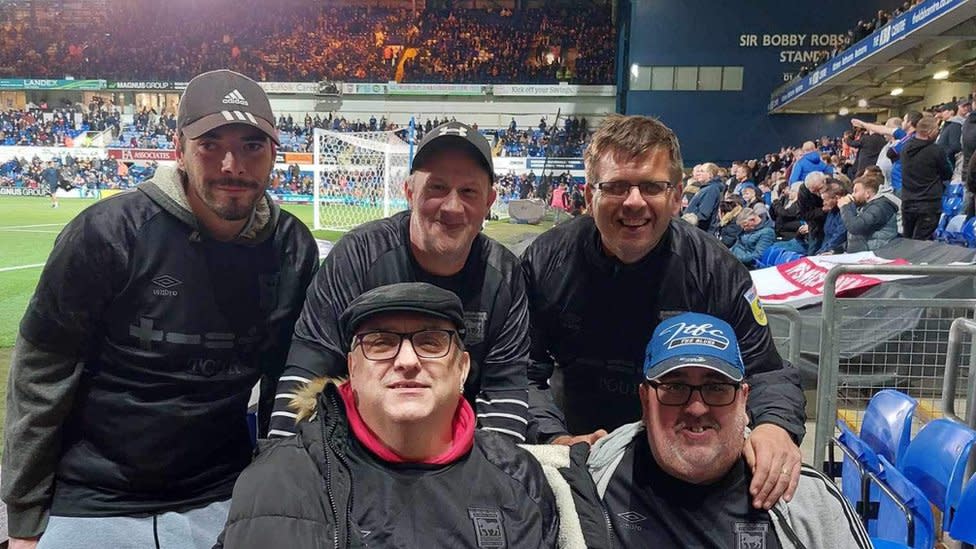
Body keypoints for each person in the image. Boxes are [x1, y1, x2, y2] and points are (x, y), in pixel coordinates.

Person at [1, 69, 319, 549]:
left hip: (224, 492)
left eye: (252, 145)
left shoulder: (292, 248)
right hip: (94, 496)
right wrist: (25, 519)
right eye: (211, 143)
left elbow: (285, 383)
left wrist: (278, 491)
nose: (232, 165)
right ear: (179, 150)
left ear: (275, 153)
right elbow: (41, 374)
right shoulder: (108, 233)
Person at [522, 114, 806, 511]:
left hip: (684, 458)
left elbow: (766, 371)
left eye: (651, 187)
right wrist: (552, 440)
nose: (633, 202)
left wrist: (776, 427)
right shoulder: (546, 260)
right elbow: (522, 372)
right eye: (616, 186)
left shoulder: (715, 269)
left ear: (676, 197)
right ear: (589, 196)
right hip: (578, 451)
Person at [215, 283, 609, 548]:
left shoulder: (519, 477)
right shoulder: (281, 482)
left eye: (431, 342)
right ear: (352, 368)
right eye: (381, 343)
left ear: (462, 368)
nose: (406, 361)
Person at [271, 121, 530, 442]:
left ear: (489, 202)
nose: (452, 206)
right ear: (409, 191)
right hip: (358, 451)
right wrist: (281, 463)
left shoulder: (504, 275)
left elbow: (505, 391)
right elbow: (308, 370)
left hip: (460, 455)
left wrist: (493, 480)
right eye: (436, 188)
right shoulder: (357, 256)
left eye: (468, 191)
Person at [587, 312, 872, 548]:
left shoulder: (806, 500)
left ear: (743, 399)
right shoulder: (590, 481)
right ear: (645, 401)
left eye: (716, 388)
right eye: (675, 387)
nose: (697, 408)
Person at [901, 116, 952, 241]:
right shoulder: (936, 150)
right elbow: (947, 173)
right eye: (937, 129)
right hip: (928, 204)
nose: (938, 132)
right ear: (930, 132)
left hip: (908, 202)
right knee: (921, 245)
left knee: (908, 240)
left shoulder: (905, 148)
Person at [838, 173, 900, 252]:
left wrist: (845, 207)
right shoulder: (865, 207)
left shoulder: (880, 207)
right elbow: (858, 237)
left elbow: (855, 227)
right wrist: (838, 249)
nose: (852, 195)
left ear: (867, 193)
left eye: (855, 191)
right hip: (863, 253)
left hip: (877, 255)